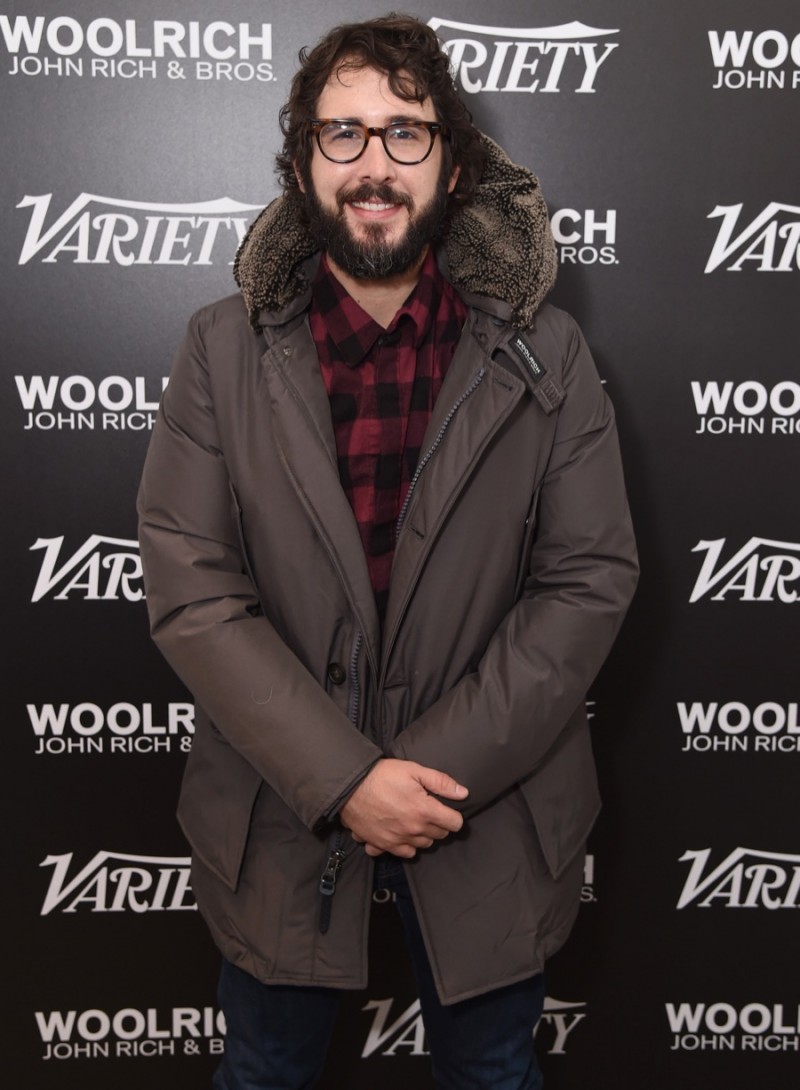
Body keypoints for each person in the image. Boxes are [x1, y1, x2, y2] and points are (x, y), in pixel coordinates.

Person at [137, 13, 638, 1089]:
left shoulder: (544, 350)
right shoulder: (218, 348)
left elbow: (586, 578)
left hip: (483, 814)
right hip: (280, 815)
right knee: (263, 1072)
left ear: (452, 165)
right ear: (304, 160)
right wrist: (345, 778)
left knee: (492, 1072)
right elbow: (192, 586)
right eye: (344, 134)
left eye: (405, 134)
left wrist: (423, 775)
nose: (374, 164)